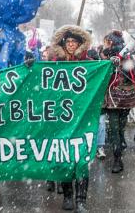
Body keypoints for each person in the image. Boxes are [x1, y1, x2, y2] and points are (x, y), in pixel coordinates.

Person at [48, 25, 92, 213]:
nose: (72, 45)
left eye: (75, 42)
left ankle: (81, 199)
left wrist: (111, 65)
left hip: (83, 116)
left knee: (82, 159)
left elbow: (101, 77)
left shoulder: (90, 62)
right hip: (61, 117)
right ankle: (67, 195)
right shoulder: (55, 62)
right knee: (64, 157)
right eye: (69, 42)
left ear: (80, 44)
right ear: (64, 44)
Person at [101, 30, 135, 173]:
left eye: (108, 42)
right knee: (114, 129)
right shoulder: (106, 55)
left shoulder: (127, 56)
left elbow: (133, 74)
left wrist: (122, 64)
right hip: (112, 98)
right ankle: (117, 159)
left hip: (125, 97)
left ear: (112, 42)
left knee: (120, 128)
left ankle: (119, 148)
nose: (106, 44)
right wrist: (109, 64)